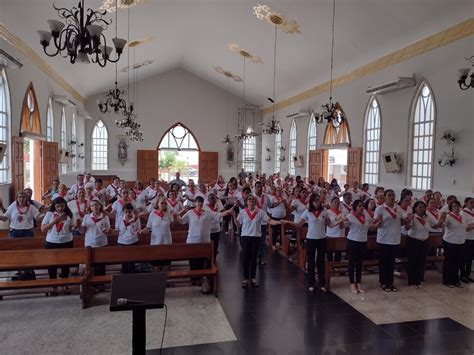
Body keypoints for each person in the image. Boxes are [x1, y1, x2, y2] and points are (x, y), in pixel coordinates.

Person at [285, 194, 330, 293]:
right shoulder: (307, 212)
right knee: (311, 261)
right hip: (311, 238)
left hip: (322, 238)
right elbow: (299, 224)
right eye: (315, 201)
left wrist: (340, 221)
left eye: (318, 200)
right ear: (311, 202)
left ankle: (322, 283)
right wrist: (288, 223)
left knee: (321, 261)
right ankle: (311, 283)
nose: (317, 202)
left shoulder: (324, 211)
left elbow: (329, 224)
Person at [234, 195, 281, 288]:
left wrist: (279, 222)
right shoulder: (243, 212)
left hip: (256, 237)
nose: (251, 201)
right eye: (249, 200)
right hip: (245, 237)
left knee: (254, 257)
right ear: (246, 202)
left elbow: (269, 221)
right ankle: (245, 277)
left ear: (255, 202)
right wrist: (233, 216)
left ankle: (253, 277)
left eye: (253, 200)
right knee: (246, 258)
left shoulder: (260, 212)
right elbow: (238, 225)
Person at [374, 189, 410, 292]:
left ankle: (391, 282)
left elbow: (401, 222)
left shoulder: (397, 208)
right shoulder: (380, 209)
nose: (392, 197)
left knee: (391, 263)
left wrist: (406, 220)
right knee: (384, 262)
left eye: (393, 195)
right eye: (389, 195)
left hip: (395, 239)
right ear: (385, 197)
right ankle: (384, 282)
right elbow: (376, 223)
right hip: (384, 239)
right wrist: (377, 222)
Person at [0, 191, 41, 280]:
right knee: (16, 253)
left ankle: (28, 271)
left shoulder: (31, 207)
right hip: (15, 232)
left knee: (28, 253)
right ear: (17, 198)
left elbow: (38, 217)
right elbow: (5, 218)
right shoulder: (13, 206)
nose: (21, 199)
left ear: (26, 198)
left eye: (23, 197)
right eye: (19, 197)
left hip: (27, 232)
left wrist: (47, 215)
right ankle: (19, 270)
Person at [345, 199, 380, 293]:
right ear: (355, 207)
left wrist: (378, 223)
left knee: (360, 263)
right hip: (352, 241)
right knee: (352, 263)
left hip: (363, 241)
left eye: (362, 206)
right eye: (359, 206)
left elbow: (371, 228)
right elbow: (342, 226)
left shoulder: (366, 217)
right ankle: (352, 283)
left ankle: (358, 283)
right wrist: (341, 221)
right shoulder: (350, 216)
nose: (361, 208)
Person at [440, 200, 474, 287]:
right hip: (450, 242)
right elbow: (443, 225)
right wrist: (442, 219)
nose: (457, 208)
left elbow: (466, 228)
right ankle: (447, 281)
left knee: (457, 262)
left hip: (460, 242)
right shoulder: (448, 216)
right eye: (454, 206)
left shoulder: (462, 217)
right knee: (449, 262)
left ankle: (455, 280)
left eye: (458, 206)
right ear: (451, 208)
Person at [41, 197, 76, 280]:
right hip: (52, 242)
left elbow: (71, 229)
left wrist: (75, 226)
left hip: (67, 241)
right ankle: (53, 284)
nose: (60, 208)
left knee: (65, 264)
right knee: (52, 264)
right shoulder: (50, 214)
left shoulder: (69, 214)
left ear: (65, 206)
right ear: (54, 206)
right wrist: (55, 221)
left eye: (62, 206)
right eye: (58, 207)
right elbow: (43, 229)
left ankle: (65, 283)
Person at [405, 201, 436, 288]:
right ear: (415, 208)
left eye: (423, 207)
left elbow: (432, 227)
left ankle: (418, 280)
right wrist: (408, 221)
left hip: (424, 241)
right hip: (413, 241)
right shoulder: (413, 216)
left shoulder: (426, 217)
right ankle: (412, 281)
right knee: (412, 261)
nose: (422, 209)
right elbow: (407, 228)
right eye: (419, 207)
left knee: (421, 261)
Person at [139, 197, 175, 271]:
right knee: (157, 267)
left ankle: (165, 282)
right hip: (156, 244)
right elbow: (148, 228)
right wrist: (142, 231)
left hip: (167, 243)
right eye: (162, 203)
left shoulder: (168, 214)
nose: (163, 205)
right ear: (157, 204)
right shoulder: (152, 214)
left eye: (165, 203)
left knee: (166, 266)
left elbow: (172, 225)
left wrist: (175, 218)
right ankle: (158, 282)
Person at [80, 200, 111, 276]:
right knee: (90, 265)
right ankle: (91, 283)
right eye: (92, 205)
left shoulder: (105, 217)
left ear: (100, 206)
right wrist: (79, 226)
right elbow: (82, 231)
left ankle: (101, 283)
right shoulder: (87, 217)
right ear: (90, 208)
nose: (95, 207)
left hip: (101, 243)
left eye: (96, 205)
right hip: (89, 244)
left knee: (101, 265)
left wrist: (107, 230)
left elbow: (109, 229)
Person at [117, 203, 141, 274]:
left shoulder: (136, 219)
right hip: (122, 242)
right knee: (124, 261)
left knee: (131, 261)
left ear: (132, 211)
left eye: (129, 211)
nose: (128, 213)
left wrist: (138, 232)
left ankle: (132, 278)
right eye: (126, 212)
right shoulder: (120, 219)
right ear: (123, 211)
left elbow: (138, 229)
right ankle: (124, 278)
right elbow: (117, 230)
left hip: (133, 241)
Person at [254, 181, 270, 265]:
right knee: (254, 240)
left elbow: (270, 206)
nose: (260, 188)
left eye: (261, 187)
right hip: (254, 222)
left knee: (262, 241)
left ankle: (261, 257)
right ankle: (253, 257)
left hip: (263, 222)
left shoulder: (266, 197)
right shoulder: (252, 197)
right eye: (258, 187)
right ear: (255, 188)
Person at [204, 192, 223, 258]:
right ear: (208, 200)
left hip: (216, 229)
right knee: (208, 245)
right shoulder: (205, 207)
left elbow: (220, 214)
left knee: (215, 245)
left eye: (214, 198)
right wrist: (215, 210)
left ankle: (213, 259)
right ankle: (208, 258)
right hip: (208, 230)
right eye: (210, 198)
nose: (212, 200)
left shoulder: (218, 205)